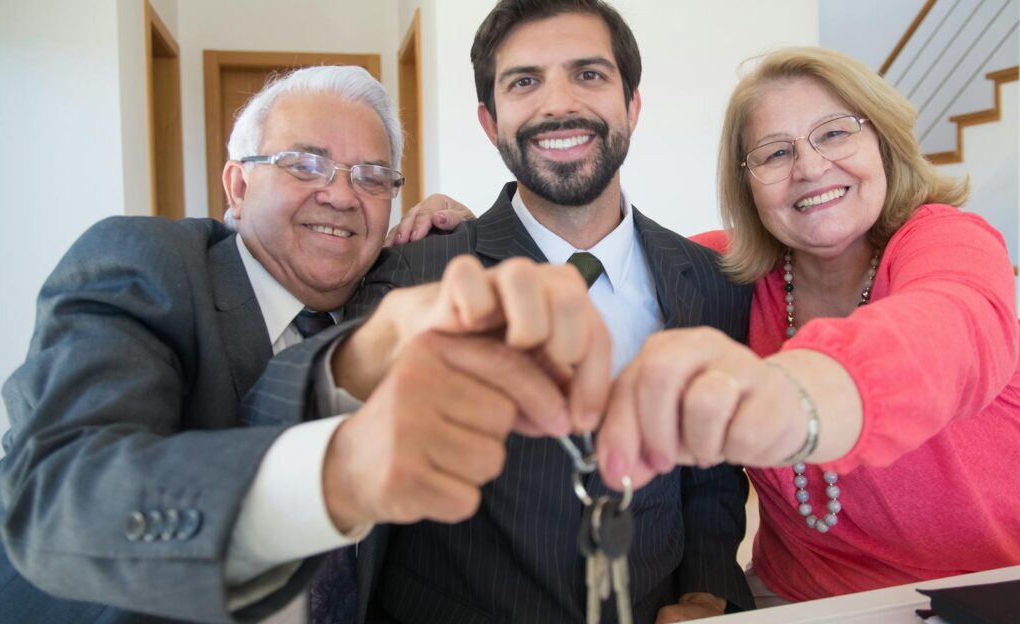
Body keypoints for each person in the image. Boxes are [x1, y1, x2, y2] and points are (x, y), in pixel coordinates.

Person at [0, 65, 610, 622]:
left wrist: (459, 230)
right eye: (305, 163)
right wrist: (335, 470)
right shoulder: (145, 263)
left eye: (373, 176)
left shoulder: (385, 290)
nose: (341, 195)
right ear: (237, 187)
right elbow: (62, 498)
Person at [595, 46, 1020, 605]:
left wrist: (789, 396)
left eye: (835, 133)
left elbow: (949, 332)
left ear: (883, 141)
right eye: (775, 153)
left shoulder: (948, 240)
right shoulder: (721, 274)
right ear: (746, 184)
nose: (810, 167)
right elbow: (607, 274)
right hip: (802, 599)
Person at [303, 2, 756, 622]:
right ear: (490, 122)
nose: (558, 104)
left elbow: (712, 473)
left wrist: (707, 593)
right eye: (525, 81)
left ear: (633, 105)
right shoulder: (415, 271)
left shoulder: (712, 281)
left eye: (589, 75)